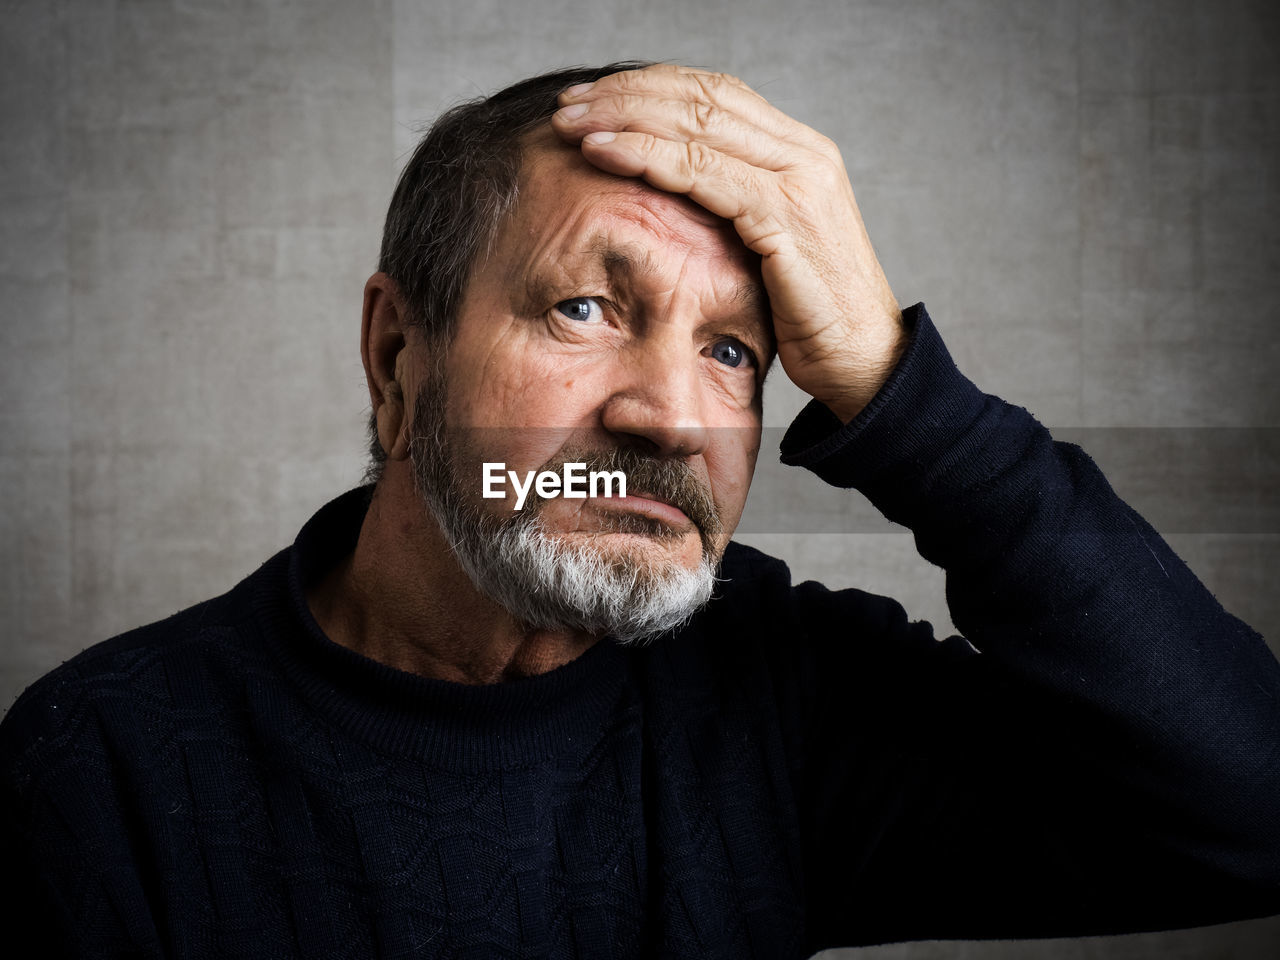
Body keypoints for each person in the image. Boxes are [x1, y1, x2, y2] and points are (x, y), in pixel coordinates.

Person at [2, 61, 1277, 958]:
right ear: (399, 355)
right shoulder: (102, 769)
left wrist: (902, 390)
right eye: (584, 309)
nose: (668, 416)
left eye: (733, 352)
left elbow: (1247, 810)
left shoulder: (776, 696)